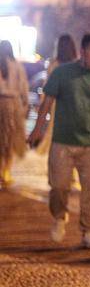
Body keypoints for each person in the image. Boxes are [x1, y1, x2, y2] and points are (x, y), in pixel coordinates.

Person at [28, 33, 90, 249]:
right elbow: (46, 102)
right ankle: (59, 217)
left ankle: (89, 232)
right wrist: (37, 130)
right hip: (63, 141)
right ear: (82, 51)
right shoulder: (62, 73)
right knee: (58, 186)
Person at [37, 34, 78, 155]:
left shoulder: (53, 64)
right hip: (72, 103)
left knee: (55, 128)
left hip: (56, 101)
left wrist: (43, 102)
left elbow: (47, 86)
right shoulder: (76, 65)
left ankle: (55, 152)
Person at [0, 40, 28, 188]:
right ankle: (6, 172)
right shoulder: (17, 66)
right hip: (14, 104)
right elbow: (23, 87)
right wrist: (25, 103)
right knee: (10, 140)